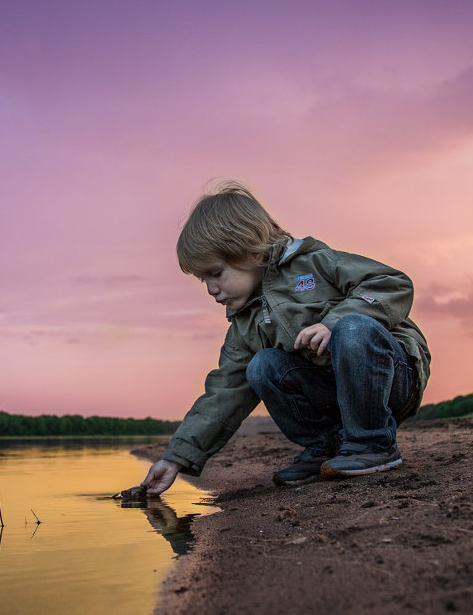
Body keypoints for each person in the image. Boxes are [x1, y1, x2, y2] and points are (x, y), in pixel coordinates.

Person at [139, 181, 431, 496]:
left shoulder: (314, 263)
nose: (211, 289)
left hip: (392, 381)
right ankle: (328, 446)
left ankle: (373, 443)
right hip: (335, 397)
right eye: (203, 279)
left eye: (215, 273)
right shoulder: (245, 326)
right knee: (261, 365)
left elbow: (391, 282)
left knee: (351, 328)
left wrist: (333, 322)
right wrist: (176, 458)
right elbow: (223, 395)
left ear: (250, 251)